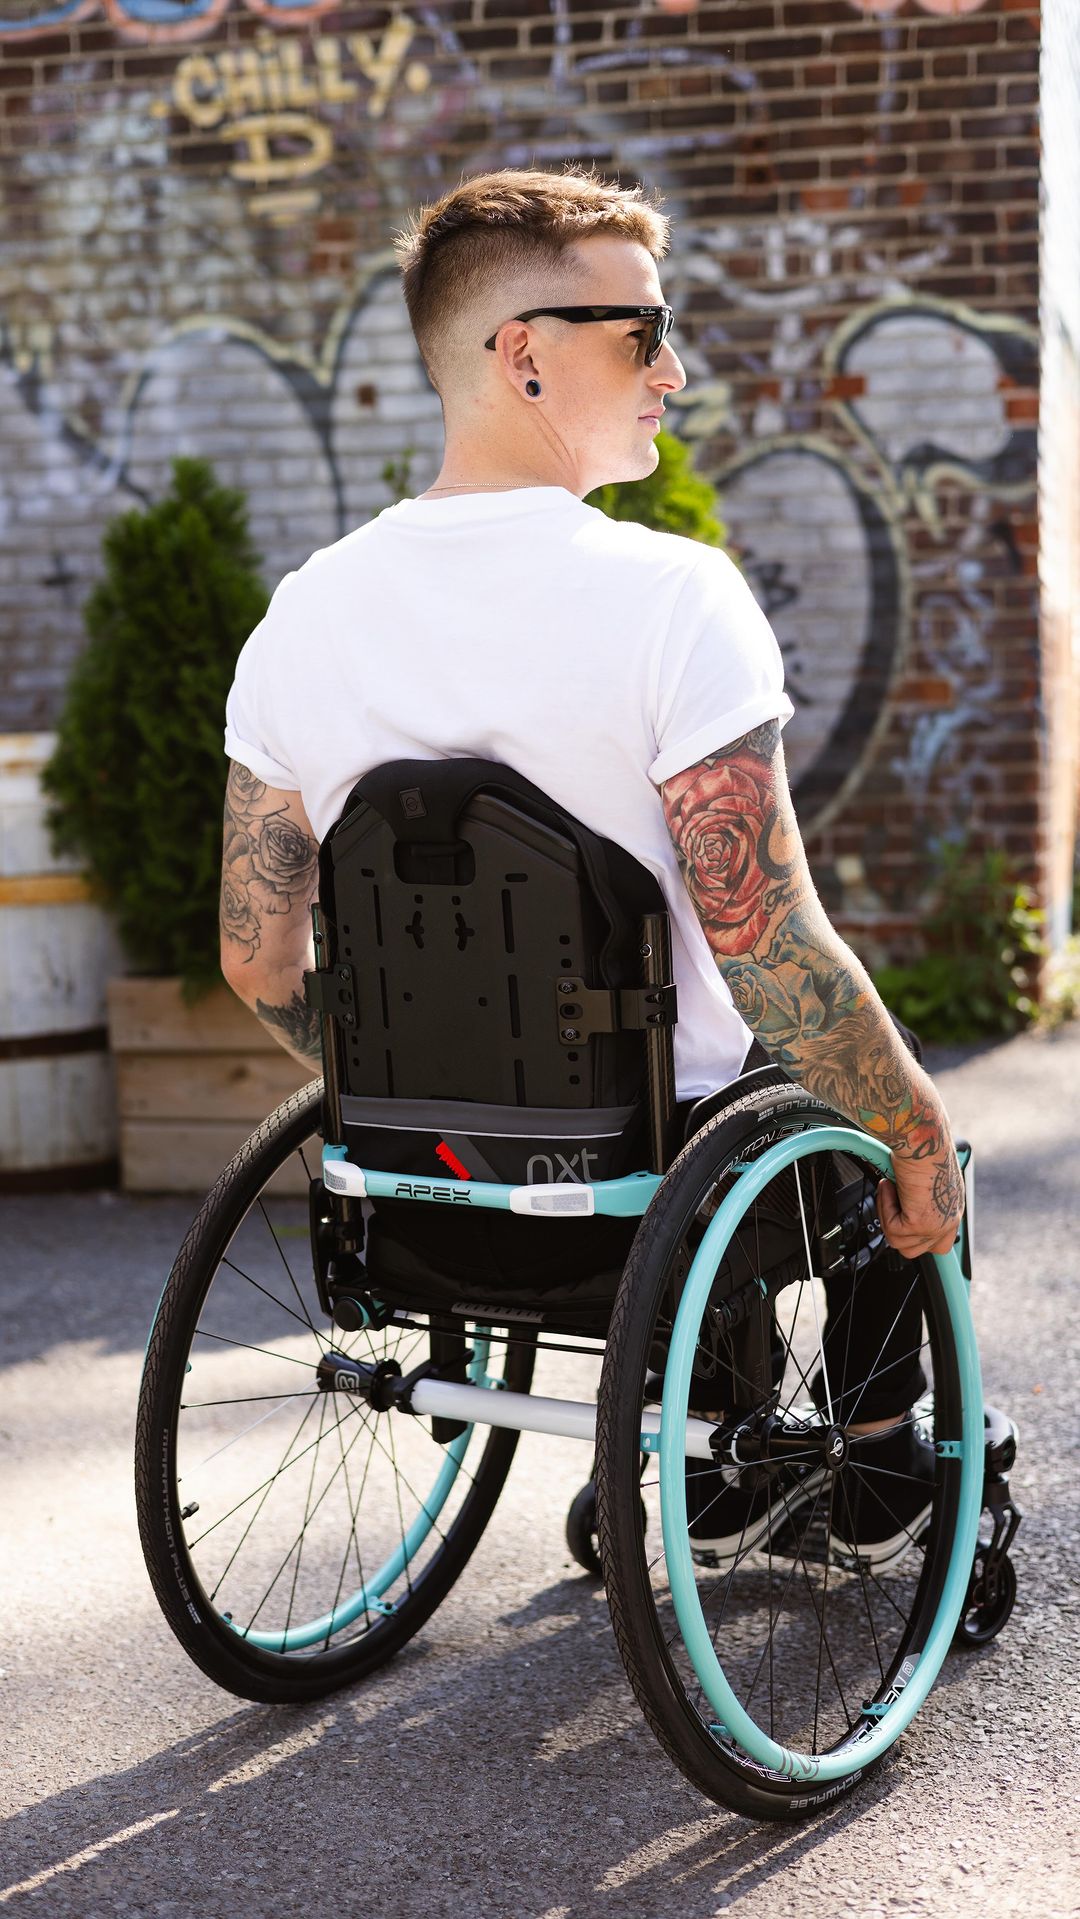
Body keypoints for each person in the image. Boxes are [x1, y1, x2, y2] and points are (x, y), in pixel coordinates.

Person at [220, 164, 964, 1569]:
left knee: (755, 1075)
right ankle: (873, 1462)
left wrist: (414, 1097)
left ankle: (718, 1456)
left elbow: (258, 958)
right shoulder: (672, 599)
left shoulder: (298, 624)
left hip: (422, 1200)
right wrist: (921, 1136)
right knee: (860, 1094)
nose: (672, 370)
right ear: (524, 356)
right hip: (665, 1199)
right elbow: (767, 946)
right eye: (640, 334)